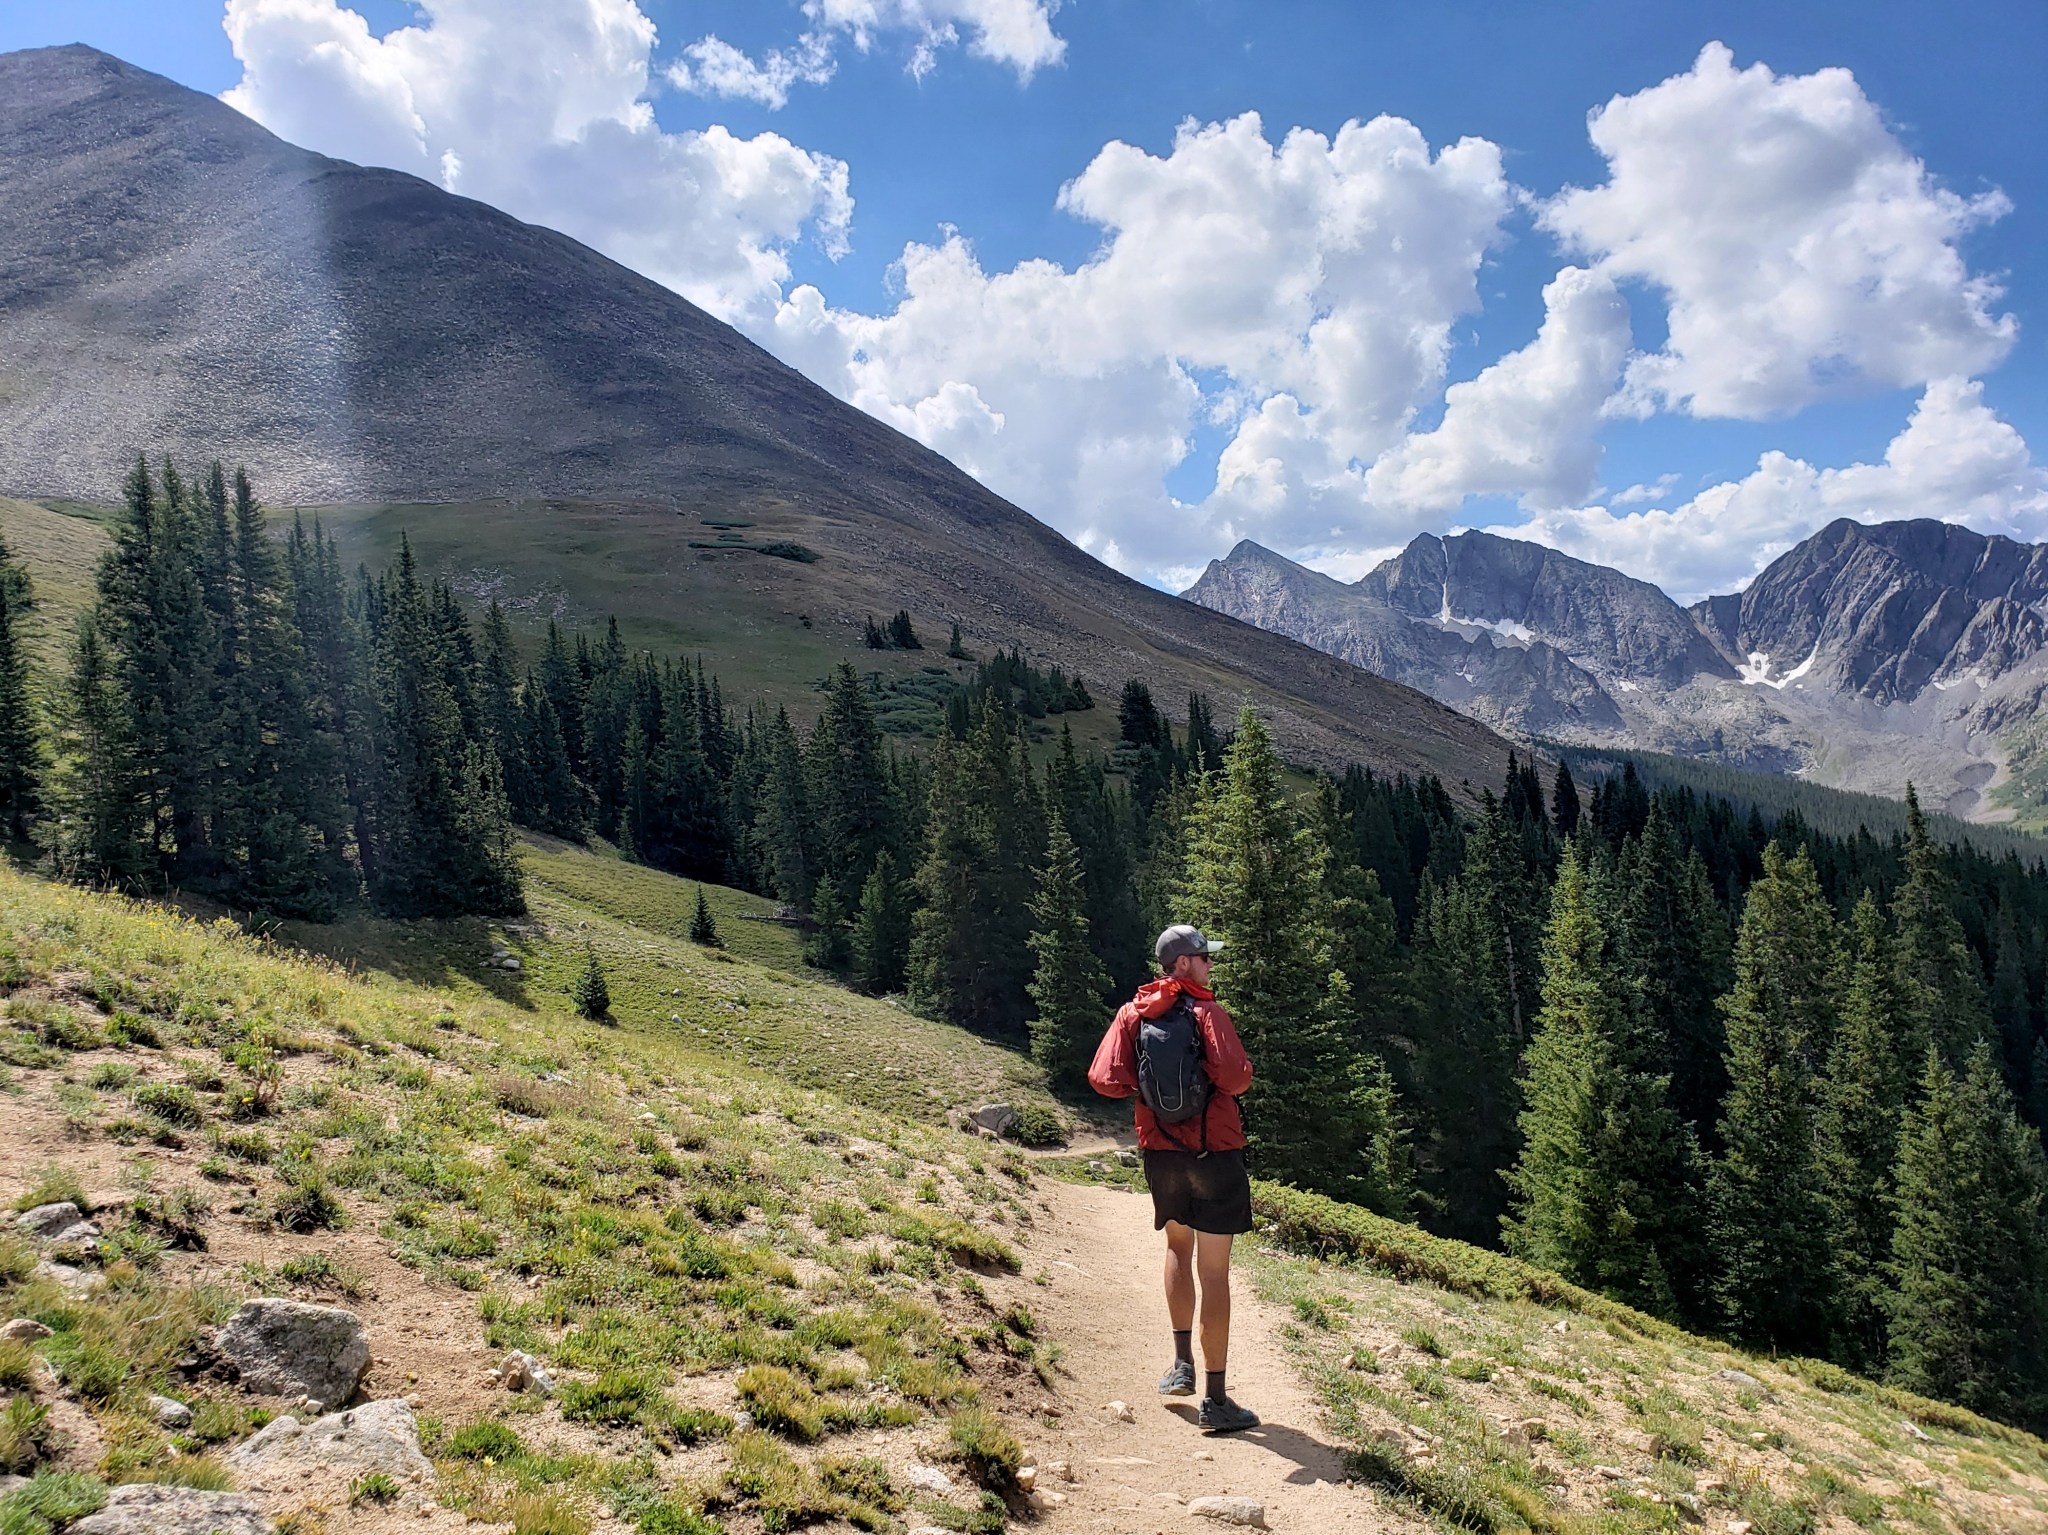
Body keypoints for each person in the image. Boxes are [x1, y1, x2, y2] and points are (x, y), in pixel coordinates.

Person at [1088, 924, 1259, 1433]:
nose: (1210, 965)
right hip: (1214, 1152)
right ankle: (1217, 1398)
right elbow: (1235, 1078)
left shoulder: (1132, 1013)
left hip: (1160, 1152)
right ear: (1183, 964)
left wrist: (1148, 1088)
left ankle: (1180, 1365)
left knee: (1176, 1249)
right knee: (1215, 1272)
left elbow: (1103, 1078)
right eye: (1204, 958)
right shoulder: (1207, 1013)